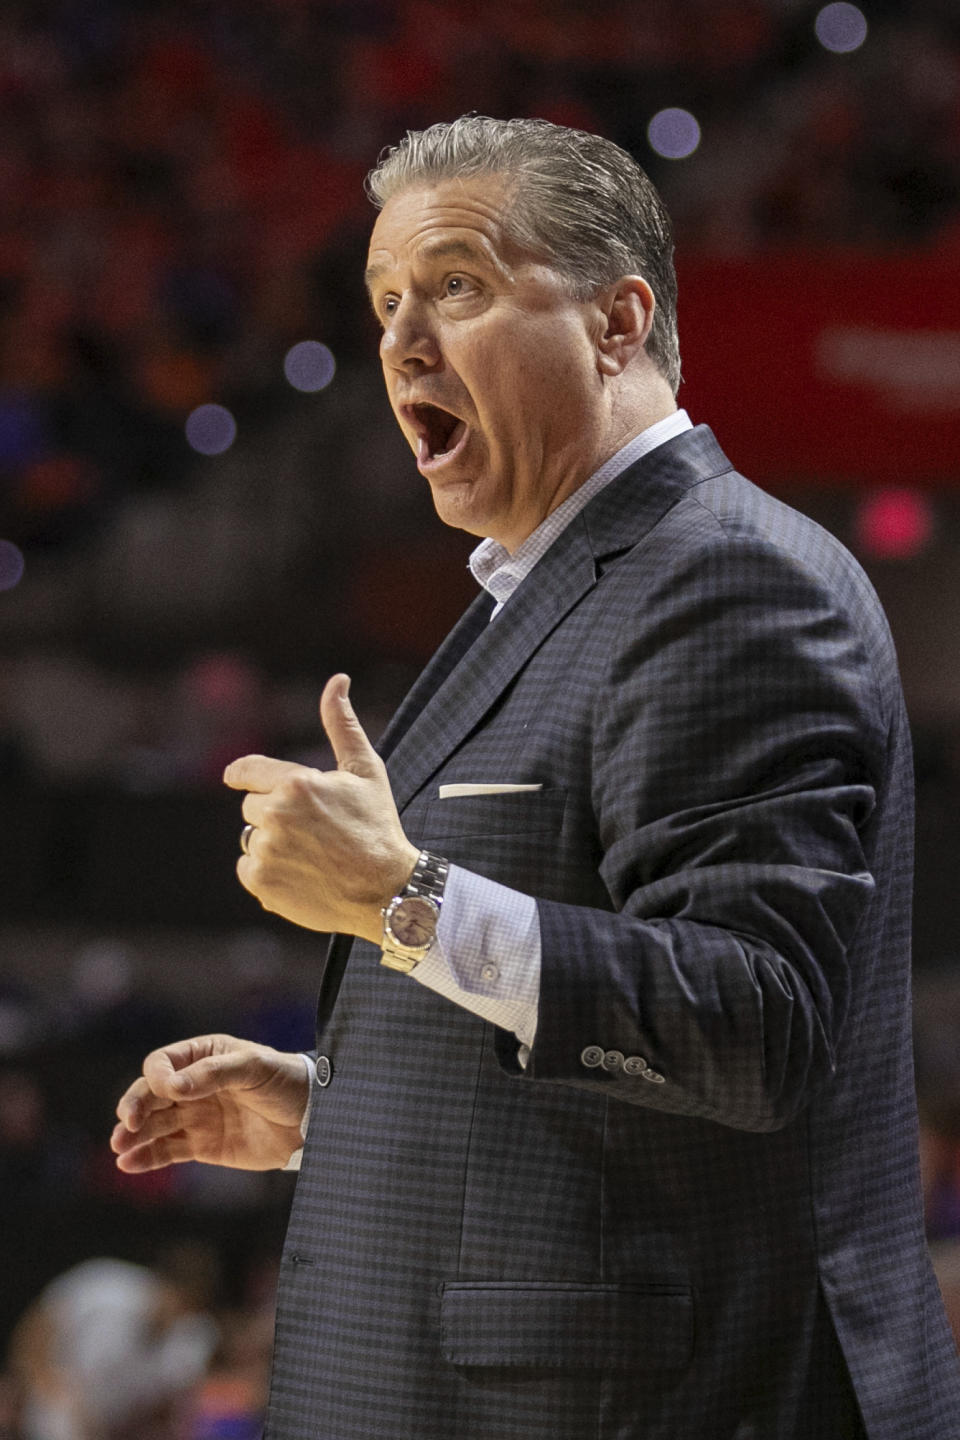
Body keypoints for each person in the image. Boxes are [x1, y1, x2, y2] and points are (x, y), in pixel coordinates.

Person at [111, 117, 960, 1438]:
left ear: (619, 322)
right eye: (386, 302)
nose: (397, 343)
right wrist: (336, 1107)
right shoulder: (546, 590)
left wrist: (402, 899)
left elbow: (755, 1027)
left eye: (456, 286)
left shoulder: (731, 580)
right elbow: (614, 1080)